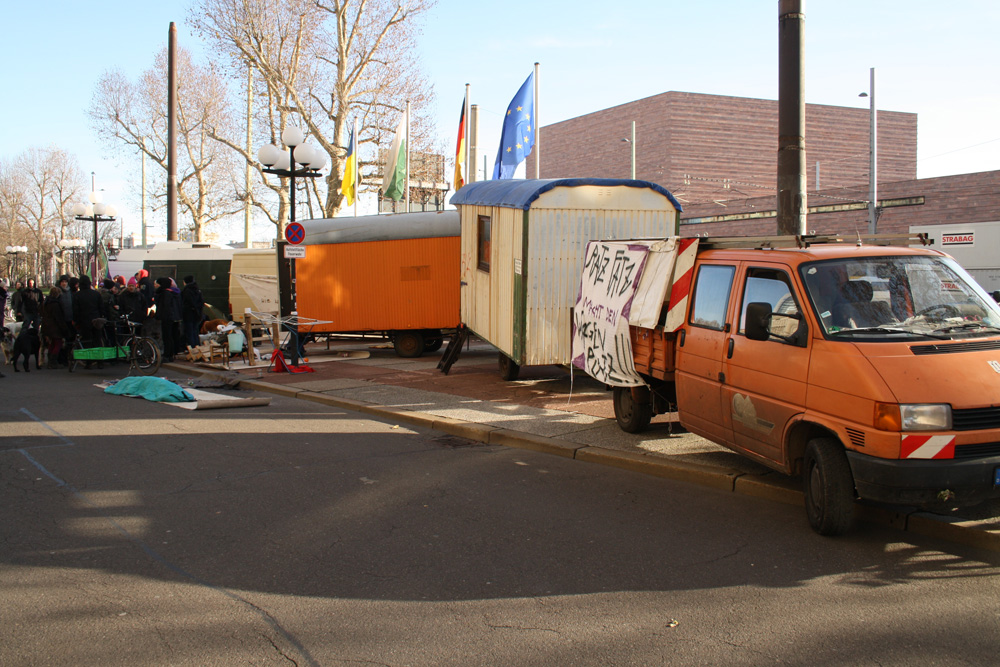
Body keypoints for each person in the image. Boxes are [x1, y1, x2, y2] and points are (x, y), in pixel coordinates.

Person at [73, 275, 108, 358]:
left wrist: (76, 321)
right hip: (96, 320)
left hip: (84, 321)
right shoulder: (96, 294)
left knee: (86, 341)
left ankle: (88, 360)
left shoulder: (77, 295)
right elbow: (101, 308)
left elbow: (76, 310)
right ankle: (99, 359)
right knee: (97, 340)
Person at [154, 276, 183, 362]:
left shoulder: (165, 293)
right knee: (173, 336)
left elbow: (165, 306)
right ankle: (171, 354)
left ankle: (167, 355)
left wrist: (159, 315)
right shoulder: (176, 293)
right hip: (175, 317)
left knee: (167, 336)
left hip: (167, 317)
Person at [41, 287, 70, 369]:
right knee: (58, 344)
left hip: (47, 326)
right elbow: (59, 318)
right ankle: (53, 361)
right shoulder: (56, 304)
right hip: (55, 327)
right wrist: (64, 328)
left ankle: (50, 360)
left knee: (52, 344)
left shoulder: (46, 303)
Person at [180, 275, 205, 350]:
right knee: (195, 331)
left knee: (189, 332)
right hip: (197, 314)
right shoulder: (198, 290)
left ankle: (193, 348)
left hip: (188, 314)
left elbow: (188, 302)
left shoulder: (187, 291)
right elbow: (201, 302)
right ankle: (197, 346)